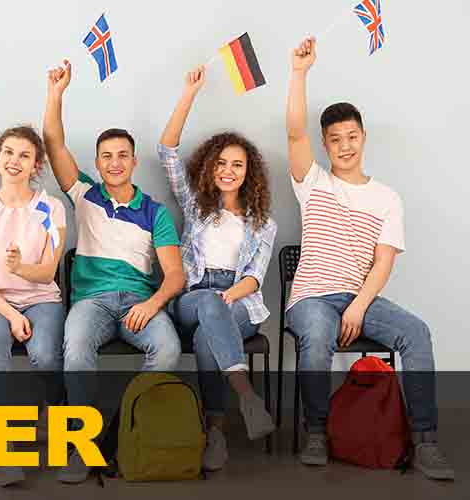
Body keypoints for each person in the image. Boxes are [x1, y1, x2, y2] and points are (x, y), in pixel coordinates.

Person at [285, 37, 453, 480]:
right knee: (317, 335)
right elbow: (294, 132)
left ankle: (426, 441)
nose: (345, 146)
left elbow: (383, 262)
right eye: (335, 139)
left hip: (360, 296)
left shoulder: (386, 198)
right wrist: (299, 73)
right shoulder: (313, 182)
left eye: (352, 137)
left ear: (363, 138)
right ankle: (316, 431)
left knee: (416, 332)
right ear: (325, 144)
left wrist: (359, 304)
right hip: (311, 298)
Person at [43, 60, 185, 483]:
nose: (115, 162)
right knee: (76, 348)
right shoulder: (85, 194)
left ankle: (118, 432)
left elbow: (175, 276)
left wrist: (153, 302)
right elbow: (52, 142)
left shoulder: (155, 213)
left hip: (142, 302)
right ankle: (82, 445)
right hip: (93, 302)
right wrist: (56, 93)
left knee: (169, 350)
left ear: (134, 161)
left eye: (122, 155)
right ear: (98, 163)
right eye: (107, 157)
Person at [160, 66, 277, 471]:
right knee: (209, 305)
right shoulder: (195, 204)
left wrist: (230, 296)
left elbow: (254, 277)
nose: (229, 170)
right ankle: (246, 396)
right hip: (193, 295)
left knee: (211, 338)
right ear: (210, 167)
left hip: (240, 300)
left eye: (238, 165)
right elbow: (167, 152)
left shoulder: (264, 224)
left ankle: (215, 433)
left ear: (249, 173)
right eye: (222, 163)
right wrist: (189, 94)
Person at [0, 125, 66, 487]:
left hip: (41, 298)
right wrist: (10, 314)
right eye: (8, 152)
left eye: (24, 155)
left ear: (37, 164)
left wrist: (21, 268)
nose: (14, 161)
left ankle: (53, 414)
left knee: (46, 356)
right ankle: (4, 450)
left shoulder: (51, 208)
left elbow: (49, 271)